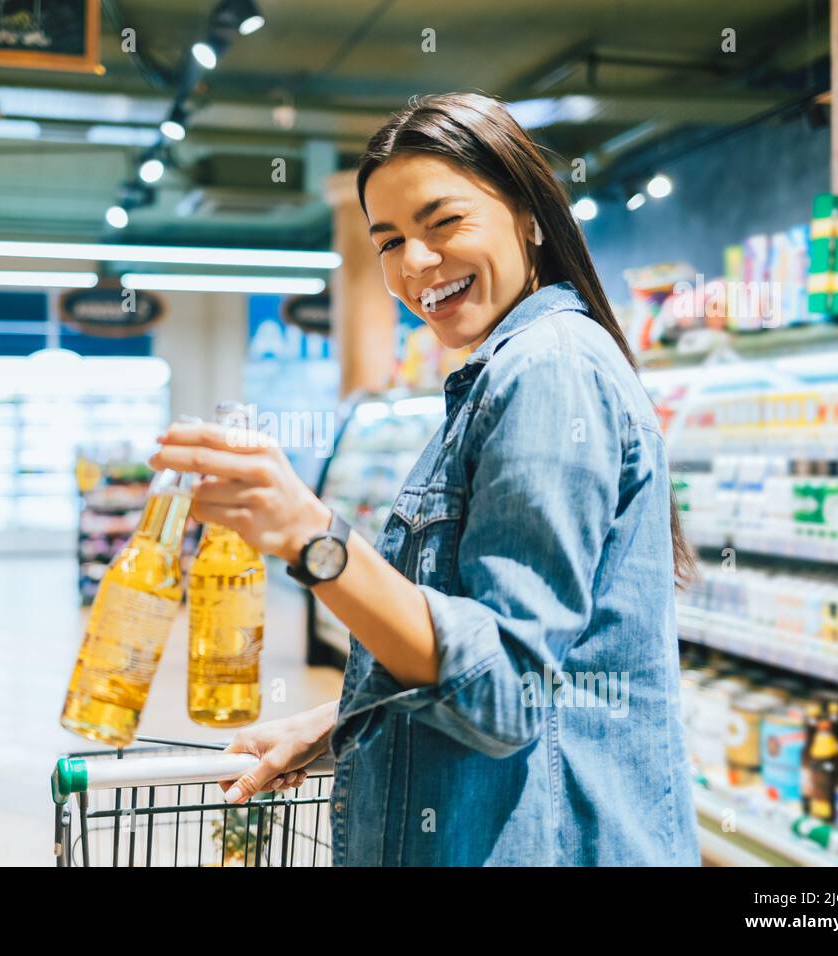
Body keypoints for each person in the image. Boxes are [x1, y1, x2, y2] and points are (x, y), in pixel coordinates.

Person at [150, 92, 701, 866]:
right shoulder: (506, 372)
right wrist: (344, 721)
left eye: (444, 224)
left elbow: (505, 688)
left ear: (529, 214)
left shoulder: (548, 371)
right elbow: (522, 667)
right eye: (389, 241)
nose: (415, 265)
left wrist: (314, 541)